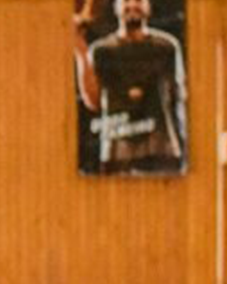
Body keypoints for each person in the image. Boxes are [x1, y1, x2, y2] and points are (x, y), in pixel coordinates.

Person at [73, 0, 187, 175]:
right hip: (117, 153)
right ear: (116, 7)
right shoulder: (101, 51)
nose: (133, 5)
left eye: (140, 0)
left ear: (149, 6)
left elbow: (180, 100)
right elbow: (93, 102)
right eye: (126, 1)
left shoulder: (167, 47)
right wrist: (80, 51)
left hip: (162, 151)